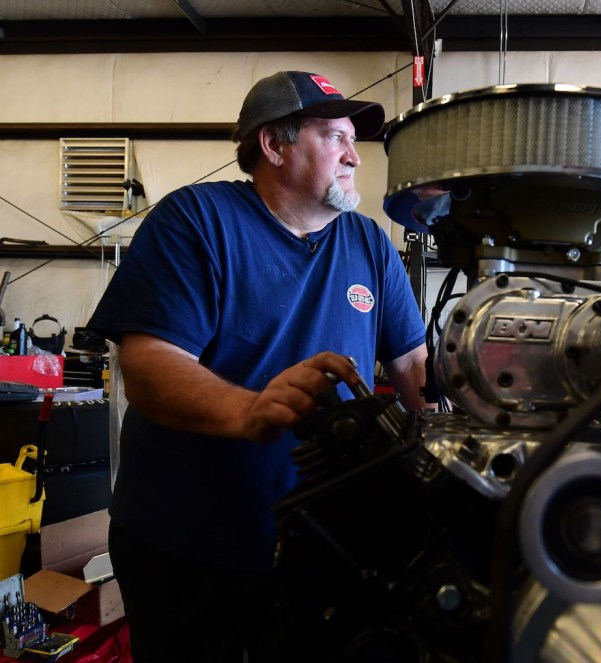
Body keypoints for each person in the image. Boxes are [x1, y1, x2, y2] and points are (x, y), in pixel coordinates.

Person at [87, 70, 430, 662]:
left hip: (323, 544)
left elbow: (416, 368)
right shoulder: (195, 221)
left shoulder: (370, 243)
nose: (353, 156)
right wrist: (250, 409)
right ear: (273, 145)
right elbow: (146, 366)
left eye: (354, 139)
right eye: (333, 137)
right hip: (188, 546)